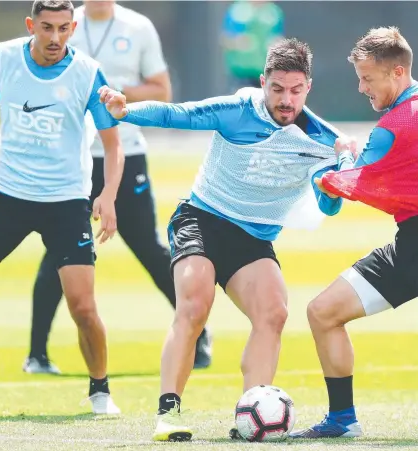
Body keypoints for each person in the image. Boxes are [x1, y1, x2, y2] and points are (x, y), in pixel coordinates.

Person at [99, 38, 351, 441]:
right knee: (195, 303)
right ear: (264, 81)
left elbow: (330, 206)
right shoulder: (238, 110)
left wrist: (340, 174)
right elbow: (177, 114)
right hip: (201, 219)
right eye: (278, 89)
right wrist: (127, 110)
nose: (286, 100)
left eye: (296, 90)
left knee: (274, 312)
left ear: (308, 88)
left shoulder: (325, 142)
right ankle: (169, 414)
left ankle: (250, 415)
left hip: (253, 239)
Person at [0, 0, 124, 415]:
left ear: (73, 28)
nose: (55, 38)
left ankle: (100, 391)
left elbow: (112, 142)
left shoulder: (88, 72)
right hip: (7, 196)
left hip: (66, 201)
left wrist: (107, 195)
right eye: (47, 27)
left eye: (64, 28)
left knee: (83, 307)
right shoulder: (1, 58)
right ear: (31, 25)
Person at [22, 0, 213, 376]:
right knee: (60, 252)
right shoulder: (61, 23)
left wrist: (110, 91)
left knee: (148, 246)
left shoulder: (137, 26)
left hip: (125, 155)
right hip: (69, 158)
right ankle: (37, 353)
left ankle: (199, 333)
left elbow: (162, 88)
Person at [291, 27, 418, 439]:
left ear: (397, 72)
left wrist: (341, 160)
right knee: (323, 312)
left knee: (322, 312)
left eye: (368, 78)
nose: (361, 87)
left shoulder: (394, 125)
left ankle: (343, 421)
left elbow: (352, 183)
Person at [221, 0, 284, 90]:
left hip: (266, 72)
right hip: (242, 72)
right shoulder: (237, 10)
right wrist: (239, 42)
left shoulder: (274, 12)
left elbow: (278, 37)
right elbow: (226, 40)